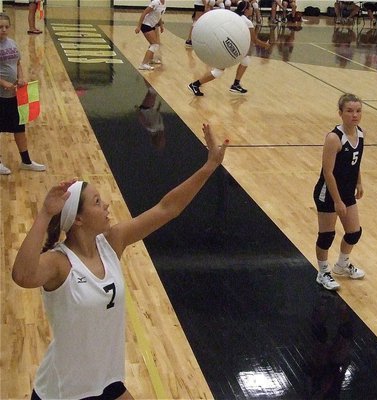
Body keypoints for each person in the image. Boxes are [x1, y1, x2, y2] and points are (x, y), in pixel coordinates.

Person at [12, 123, 228, 399]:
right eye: (97, 202)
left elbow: (167, 208)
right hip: (63, 391)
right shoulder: (60, 263)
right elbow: (22, 275)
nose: (106, 206)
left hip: (106, 382)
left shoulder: (113, 242)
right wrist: (44, 214)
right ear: (77, 219)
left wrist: (209, 166)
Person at [314, 93, 365, 291]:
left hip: (347, 192)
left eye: (358, 111)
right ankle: (323, 272)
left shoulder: (360, 134)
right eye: (350, 111)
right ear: (340, 113)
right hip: (328, 193)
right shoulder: (334, 138)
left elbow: (356, 162)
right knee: (327, 235)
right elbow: (327, 172)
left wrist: (359, 183)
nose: (355, 115)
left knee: (354, 232)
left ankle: (342, 265)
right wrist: (337, 200)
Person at [188, 0, 270, 96]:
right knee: (218, 71)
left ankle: (236, 84)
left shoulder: (233, 16)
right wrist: (265, 45)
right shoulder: (247, 22)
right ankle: (195, 84)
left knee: (245, 59)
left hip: (221, 43)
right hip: (226, 46)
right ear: (246, 10)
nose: (252, 9)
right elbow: (254, 40)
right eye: (251, 7)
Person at [0, 12, 46, 175]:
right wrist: (3, 83)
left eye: (6, 27)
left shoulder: (11, 43)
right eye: (0, 27)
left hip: (14, 96)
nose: (3, 30)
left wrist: (21, 77)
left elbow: (18, 62)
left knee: (19, 129)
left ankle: (26, 161)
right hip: (1, 96)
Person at [135, 0, 166, 71]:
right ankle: (143, 64)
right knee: (154, 44)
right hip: (146, 25)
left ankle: (150, 59)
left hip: (151, 25)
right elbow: (144, 13)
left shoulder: (163, 4)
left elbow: (159, 15)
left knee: (154, 43)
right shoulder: (155, 2)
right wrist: (138, 26)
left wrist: (161, 25)